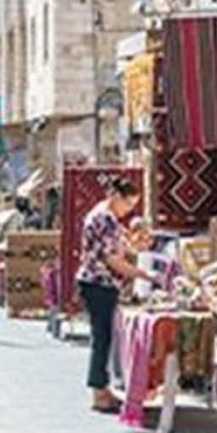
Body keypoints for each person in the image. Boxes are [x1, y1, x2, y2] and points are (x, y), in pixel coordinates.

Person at [76, 177, 157, 414]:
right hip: (98, 283)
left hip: (98, 283)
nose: (129, 210)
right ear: (116, 197)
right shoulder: (104, 219)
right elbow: (113, 260)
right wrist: (145, 275)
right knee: (101, 338)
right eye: (129, 204)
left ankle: (103, 388)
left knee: (104, 337)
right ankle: (99, 393)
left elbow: (120, 249)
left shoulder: (106, 217)